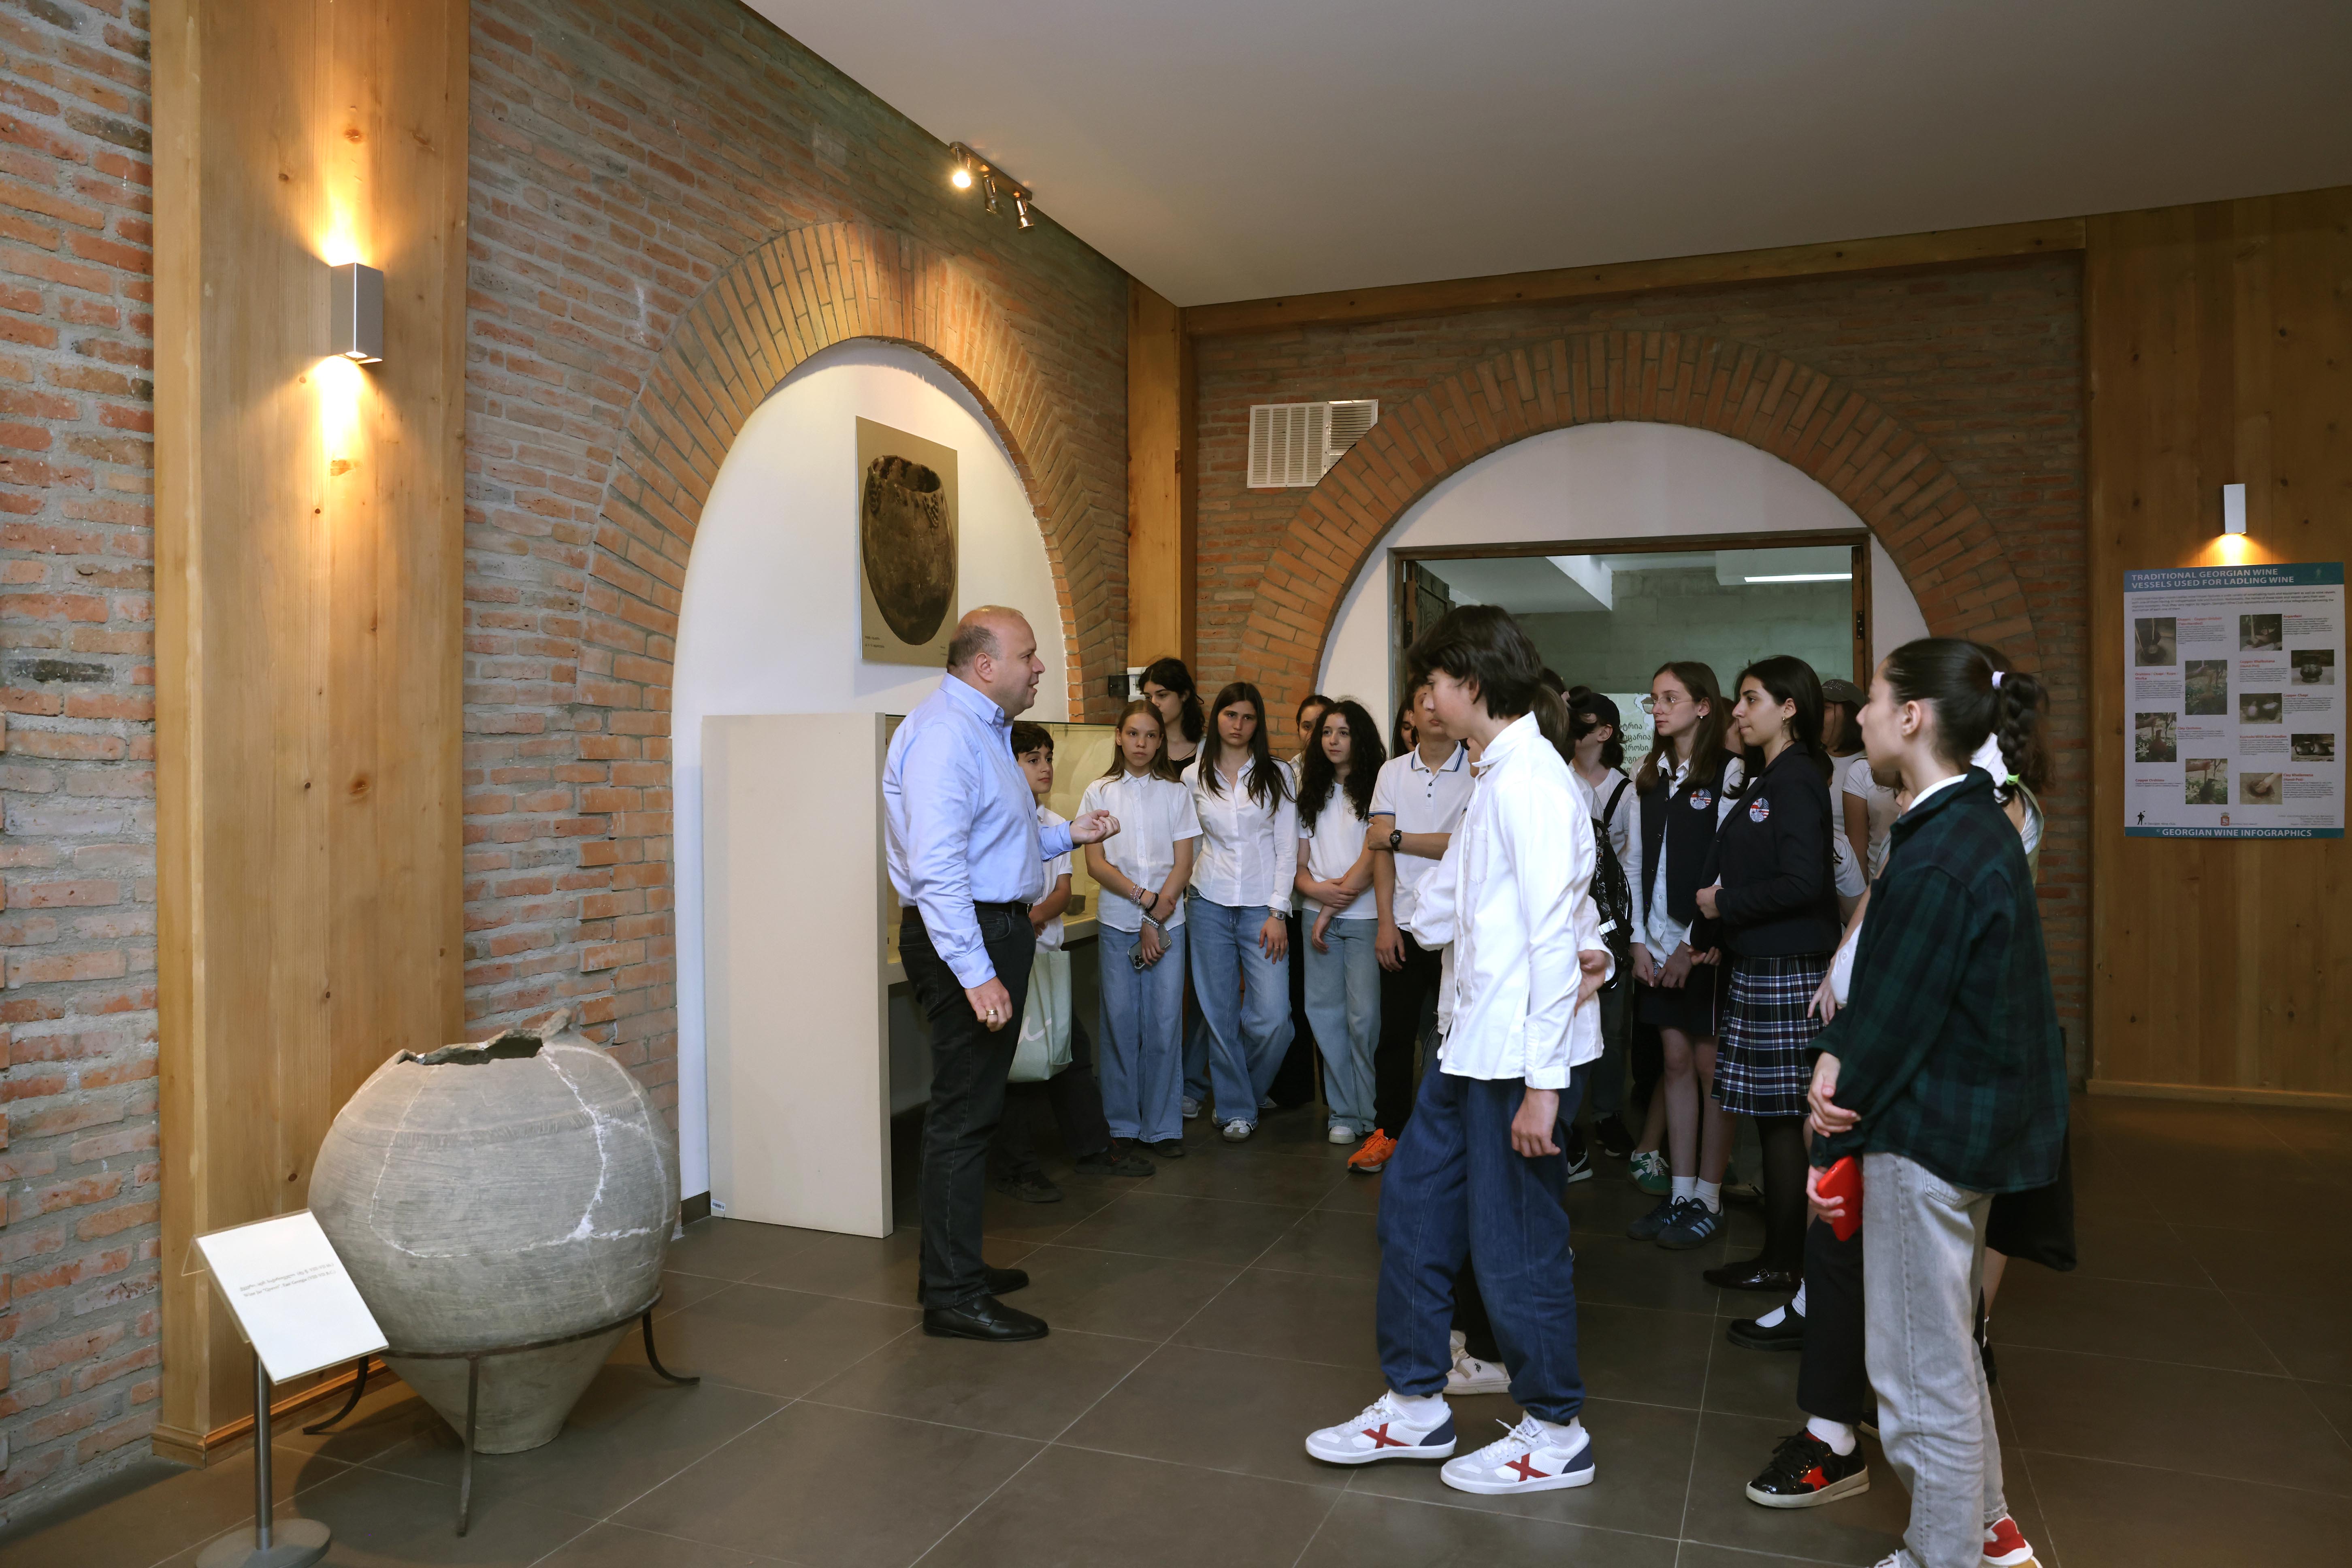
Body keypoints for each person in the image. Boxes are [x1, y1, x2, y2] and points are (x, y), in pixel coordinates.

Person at [1304, 606, 1613, 1496]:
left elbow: (1550, 932)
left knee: (1514, 1242)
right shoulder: (1493, 777)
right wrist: (1391, 905)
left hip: (1519, 1056)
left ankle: (1556, 1431)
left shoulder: (1532, 783)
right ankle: (1414, 1404)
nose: (1425, 700)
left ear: (1471, 683)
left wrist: (1546, 1088)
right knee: (1410, 1211)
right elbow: (1458, 909)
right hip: (1466, 1043)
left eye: (1434, 683)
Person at [1807, 639, 2064, 1568]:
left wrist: (1837, 1095)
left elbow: (1899, 1007)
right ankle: (1986, 1533)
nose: (1863, 716)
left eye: (1875, 699)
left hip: (1929, 1138)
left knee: (1919, 1376)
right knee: (1947, 1353)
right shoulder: (1968, 822)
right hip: (1966, 1131)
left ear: (1913, 716)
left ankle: (1942, 1554)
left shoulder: (1943, 847)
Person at [883, 607, 1120, 1342]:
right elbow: (938, 869)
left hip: (991, 928)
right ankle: (951, 1295)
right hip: (970, 936)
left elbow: (996, 843)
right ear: (985, 666)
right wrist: (974, 970)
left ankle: (952, 1267)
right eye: (1029, 655)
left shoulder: (983, 731)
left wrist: (1069, 834)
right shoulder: (945, 736)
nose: (1039, 667)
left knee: (976, 1109)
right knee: (963, 1116)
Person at [1695, 656, 1841, 1294]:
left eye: (1751, 699)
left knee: (1783, 1120)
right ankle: (1782, 1255)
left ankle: (1786, 1260)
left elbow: (1805, 883)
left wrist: (1724, 904)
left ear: (1789, 708)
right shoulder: (1773, 776)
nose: (1738, 711)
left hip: (1787, 963)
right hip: (1765, 959)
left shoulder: (1796, 778)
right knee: (1774, 1120)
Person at [987, 722, 1156, 1204]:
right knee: (1015, 1065)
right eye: (1032, 759)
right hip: (1006, 962)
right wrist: (1019, 925)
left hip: (1044, 956)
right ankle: (1017, 1167)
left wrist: (1032, 919)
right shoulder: (997, 820)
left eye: (1048, 757)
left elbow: (1062, 890)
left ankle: (1093, 1147)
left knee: (1071, 1053)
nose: (1045, 767)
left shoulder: (1053, 820)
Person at [1625, 662, 1743, 1250]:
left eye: (1671, 698)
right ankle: (1679, 1193)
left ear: (1703, 706)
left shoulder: (1730, 772)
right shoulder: (1649, 775)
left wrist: (1692, 943)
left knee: (1707, 1065)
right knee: (1672, 1062)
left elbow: (1728, 867)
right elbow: (1634, 862)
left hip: (1700, 944)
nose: (1659, 709)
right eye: (1654, 700)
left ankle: (1708, 1197)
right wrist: (1637, 940)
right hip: (1654, 939)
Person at [1353, 680, 1473, 1174]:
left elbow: (1464, 844)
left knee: (1457, 1033)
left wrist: (1399, 836)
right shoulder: (1392, 771)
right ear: (1412, 714)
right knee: (1395, 1035)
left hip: (1460, 926)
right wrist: (1385, 922)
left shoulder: (1478, 768)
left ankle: (1454, 1137)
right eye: (1425, 701)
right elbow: (1378, 848)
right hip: (1402, 922)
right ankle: (1388, 1132)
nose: (1435, 708)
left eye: (1442, 699)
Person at [1080, 701, 1201, 1161]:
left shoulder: (1175, 792)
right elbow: (1096, 864)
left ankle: (1162, 1126)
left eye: (1151, 735)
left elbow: (1184, 863)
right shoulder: (1099, 791)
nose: (1142, 743)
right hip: (1118, 922)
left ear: (1161, 741)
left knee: (1165, 1023)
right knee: (1120, 1023)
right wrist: (1143, 900)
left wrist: (1154, 916)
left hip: (1169, 923)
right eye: (1133, 733)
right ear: (1118, 736)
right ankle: (1122, 1124)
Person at [1183, 682, 1299, 1141]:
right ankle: (1235, 1109)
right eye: (1231, 714)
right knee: (1219, 1014)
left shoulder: (1279, 774)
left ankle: (1242, 1092)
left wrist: (1278, 911)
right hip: (1207, 902)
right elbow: (1191, 845)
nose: (1238, 725)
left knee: (1273, 1020)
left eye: (1248, 717)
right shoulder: (1193, 776)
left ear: (1258, 723)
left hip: (1262, 908)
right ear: (1217, 718)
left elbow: (1287, 848)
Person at [1296, 698, 1388, 1144]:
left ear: (1360, 739)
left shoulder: (1379, 788)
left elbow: (1372, 861)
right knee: (1324, 1015)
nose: (1333, 740)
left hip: (1365, 915)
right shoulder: (1308, 790)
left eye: (1344, 733)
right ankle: (1344, 1113)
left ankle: (1370, 1112)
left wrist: (1332, 904)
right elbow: (1297, 866)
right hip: (1315, 913)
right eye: (1327, 732)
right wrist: (1317, 895)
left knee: (1363, 1017)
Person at [1565, 686, 1642, 1160]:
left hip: (1612, 922)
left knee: (1613, 1028)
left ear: (1606, 732)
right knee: (1566, 1020)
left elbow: (1632, 862)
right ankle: (1567, 1120)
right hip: (1568, 918)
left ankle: (1607, 1113)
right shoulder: (1558, 779)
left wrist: (1629, 929)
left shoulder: (1627, 790)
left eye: (1585, 722)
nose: (1574, 730)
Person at [1273, 692, 1338, 1113]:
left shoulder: (1344, 771)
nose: (1314, 734)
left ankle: (1339, 1099)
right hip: (1290, 901)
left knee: (1331, 1005)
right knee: (1294, 1000)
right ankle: (1294, 1092)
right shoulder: (1285, 773)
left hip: (1332, 900)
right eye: (1307, 725)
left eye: (1323, 725)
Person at [1821, 678, 1871, 919]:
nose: (1816, 716)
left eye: (1826, 708)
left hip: (1851, 889)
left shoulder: (1870, 766)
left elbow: (1860, 848)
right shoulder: (1808, 761)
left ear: (1852, 715)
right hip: (1815, 883)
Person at [1138, 657, 1206, 770]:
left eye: (1162, 695)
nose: (1154, 703)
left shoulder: (1208, 748)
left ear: (1184, 695)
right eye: (1148, 697)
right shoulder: (1141, 745)